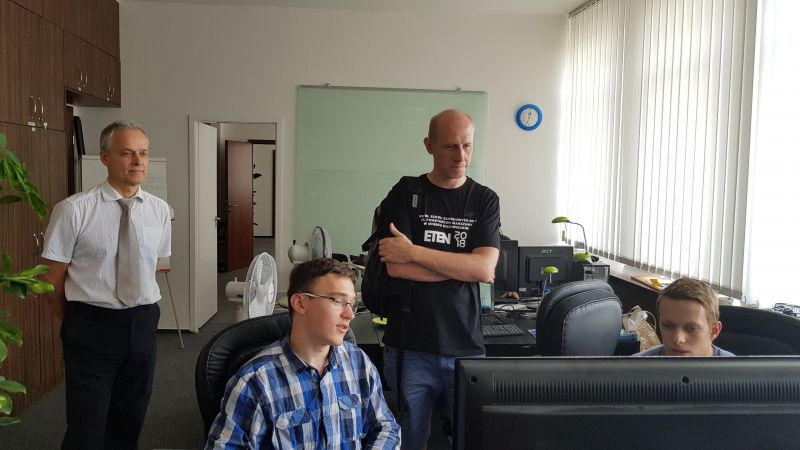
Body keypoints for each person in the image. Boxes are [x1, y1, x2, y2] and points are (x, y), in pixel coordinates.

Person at [40, 121, 171, 449]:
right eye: (127, 153)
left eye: (143, 153)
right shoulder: (74, 210)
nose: (138, 161)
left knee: (130, 419)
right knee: (87, 426)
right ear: (104, 158)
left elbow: (152, 267)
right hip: (91, 324)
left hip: (142, 322)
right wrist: (74, 320)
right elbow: (51, 279)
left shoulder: (159, 210)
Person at [377, 109, 500, 449]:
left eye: (467, 146)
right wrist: (461, 267)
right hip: (410, 347)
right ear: (429, 145)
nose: (460, 156)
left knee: (470, 439)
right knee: (410, 439)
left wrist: (414, 252)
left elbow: (483, 270)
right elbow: (396, 268)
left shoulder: (484, 200)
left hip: (465, 348)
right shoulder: (406, 193)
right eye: (450, 146)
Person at [205, 258, 400, 450]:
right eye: (338, 301)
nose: (350, 314)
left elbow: (385, 427)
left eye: (352, 304)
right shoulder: (255, 382)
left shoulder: (359, 363)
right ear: (300, 303)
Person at [634, 277, 735, 357]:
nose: (678, 339)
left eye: (691, 328)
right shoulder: (633, 370)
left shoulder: (737, 373)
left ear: (714, 331)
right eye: (668, 326)